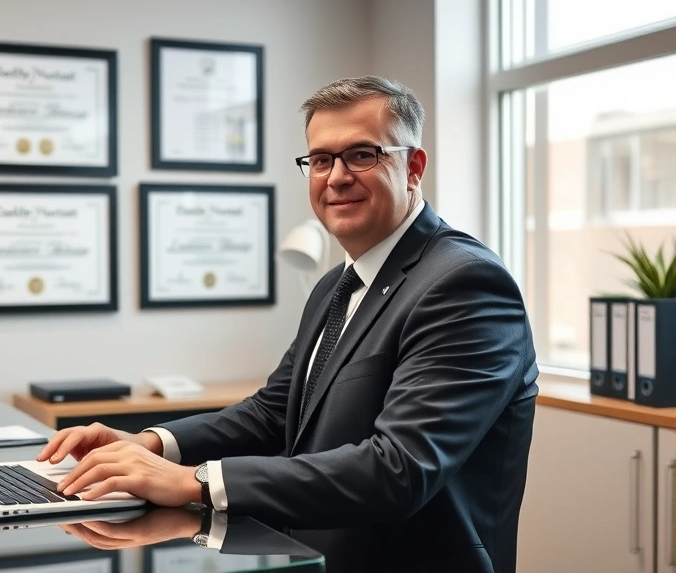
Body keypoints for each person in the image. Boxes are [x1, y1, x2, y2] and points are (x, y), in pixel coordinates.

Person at [38, 75, 538, 573]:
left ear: (413, 167)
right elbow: (273, 413)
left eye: (361, 155)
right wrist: (149, 444)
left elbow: (399, 469)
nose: (336, 177)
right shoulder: (337, 285)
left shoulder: (464, 283)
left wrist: (192, 481)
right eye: (320, 160)